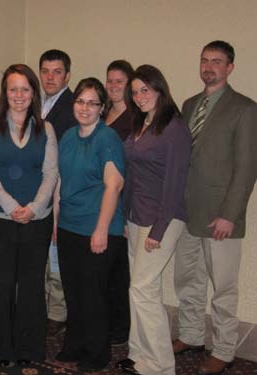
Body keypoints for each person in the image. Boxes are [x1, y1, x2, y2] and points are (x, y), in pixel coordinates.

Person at [172, 40, 257, 375]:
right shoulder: (190, 103)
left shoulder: (245, 108)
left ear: (230, 67)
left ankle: (223, 349)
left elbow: (247, 167)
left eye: (217, 62)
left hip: (222, 215)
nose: (209, 67)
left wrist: (230, 215)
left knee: (223, 288)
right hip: (188, 211)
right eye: (204, 60)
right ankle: (192, 335)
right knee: (188, 279)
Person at [0, 64, 58, 367]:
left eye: (25, 89)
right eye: (13, 89)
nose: (19, 95)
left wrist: (35, 208)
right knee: (2, 285)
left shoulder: (45, 128)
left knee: (33, 285)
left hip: (38, 220)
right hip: (0, 220)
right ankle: (3, 351)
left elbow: (51, 172)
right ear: (5, 93)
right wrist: (12, 207)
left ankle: (30, 350)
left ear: (33, 93)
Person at [116, 65, 191, 375]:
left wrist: (158, 230)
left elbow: (176, 184)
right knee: (143, 288)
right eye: (135, 92)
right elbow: (132, 176)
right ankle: (138, 354)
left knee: (142, 289)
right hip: (136, 217)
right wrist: (124, 215)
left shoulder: (174, 128)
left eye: (145, 89)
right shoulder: (140, 124)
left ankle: (160, 365)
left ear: (160, 89)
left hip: (164, 218)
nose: (140, 96)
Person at [55, 77, 125, 373]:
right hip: (69, 225)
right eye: (80, 101)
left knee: (93, 294)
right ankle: (75, 343)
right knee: (73, 291)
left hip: (97, 227)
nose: (85, 108)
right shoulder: (69, 136)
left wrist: (100, 229)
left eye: (92, 103)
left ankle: (98, 353)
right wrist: (56, 223)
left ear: (102, 107)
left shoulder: (107, 138)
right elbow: (61, 181)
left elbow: (114, 185)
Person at [38, 49, 77, 335]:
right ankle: (42, 308)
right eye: (46, 71)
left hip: (59, 190)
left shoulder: (74, 106)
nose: (50, 77)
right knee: (40, 255)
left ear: (67, 75)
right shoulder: (33, 101)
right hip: (34, 192)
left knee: (57, 258)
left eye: (57, 72)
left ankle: (58, 313)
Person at [104, 59, 135, 347]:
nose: (113, 86)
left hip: (123, 207)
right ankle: (103, 325)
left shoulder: (136, 119)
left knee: (119, 273)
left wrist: (126, 214)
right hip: (100, 205)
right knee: (102, 270)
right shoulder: (101, 114)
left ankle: (120, 330)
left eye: (120, 82)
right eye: (110, 80)